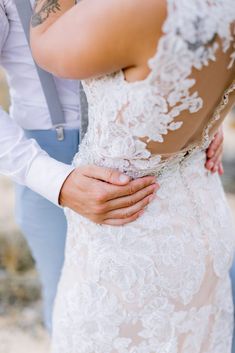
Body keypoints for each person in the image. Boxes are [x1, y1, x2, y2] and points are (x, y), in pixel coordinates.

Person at [30, 1, 235, 352]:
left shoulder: (141, 8)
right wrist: (204, 122)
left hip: (129, 251)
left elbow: (46, 42)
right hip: (201, 218)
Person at [0, 0, 170, 333]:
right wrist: (55, 180)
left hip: (158, 153)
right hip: (51, 158)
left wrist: (202, 124)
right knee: (78, 313)